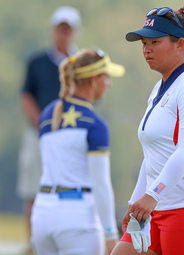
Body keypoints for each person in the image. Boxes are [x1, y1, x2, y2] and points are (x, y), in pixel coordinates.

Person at [111, 5, 184, 255]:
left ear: (179, 44)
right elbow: (152, 155)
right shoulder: (160, 88)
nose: (146, 49)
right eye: (144, 42)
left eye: (155, 41)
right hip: (158, 207)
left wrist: (151, 195)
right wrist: (136, 200)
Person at [31, 48, 125, 255]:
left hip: (42, 215)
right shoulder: (95, 123)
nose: (109, 83)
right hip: (77, 219)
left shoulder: (47, 114)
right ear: (93, 80)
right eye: (106, 77)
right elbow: (101, 184)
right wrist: (110, 235)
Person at [17, 6, 81, 253]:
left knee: (67, 187)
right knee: (33, 189)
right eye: (60, 29)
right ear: (53, 31)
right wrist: (42, 123)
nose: (63, 34)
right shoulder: (37, 62)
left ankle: (61, 238)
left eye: (68, 29)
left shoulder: (79, 63)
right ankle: (33, 243)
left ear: (74, 32)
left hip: (70, 136)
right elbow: (26, 96)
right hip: (38, 135)